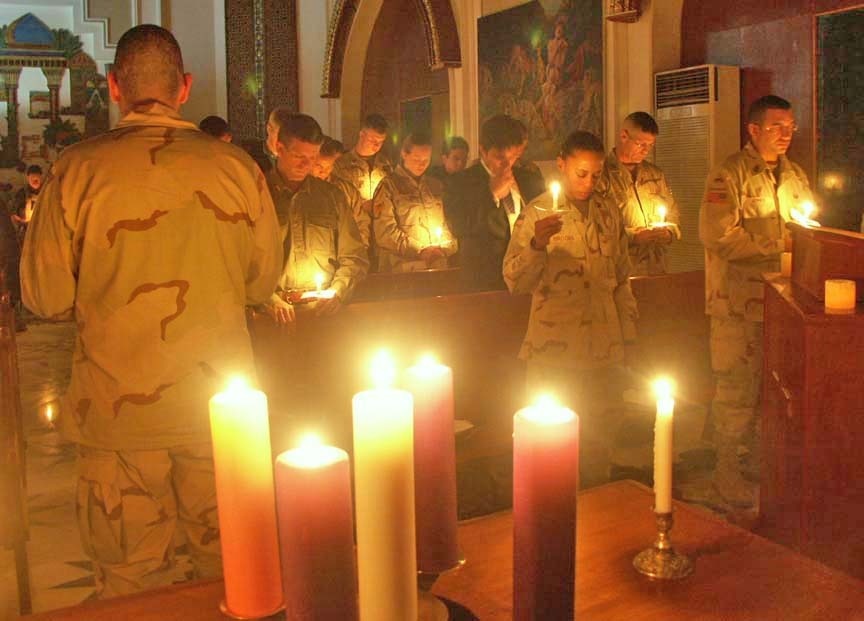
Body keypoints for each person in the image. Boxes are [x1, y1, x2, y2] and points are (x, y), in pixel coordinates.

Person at [19, 24, 283, 598]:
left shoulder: (76, 171)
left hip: (119, 421)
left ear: (114, 87)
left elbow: (45, 297)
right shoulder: (238, 170)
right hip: (221, 417)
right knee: (232, 580)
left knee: (130, 587)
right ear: (184, 87)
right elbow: (265, 281)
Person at [504, 130, 637, 486]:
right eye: (581, 173)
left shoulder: (608, 213)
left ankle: (598, 518)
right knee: (551, 453)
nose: (589, 182)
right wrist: (536, 244)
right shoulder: (538, 213)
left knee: (599, 446)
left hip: (604, 350)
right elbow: (514, 281)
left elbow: (622, 278)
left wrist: (629, 336)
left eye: (596, 174)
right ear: (561, 165)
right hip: (554, 352)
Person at [699, 95, 812, 509]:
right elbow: (719, 236)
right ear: (753, 129)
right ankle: (725, 477)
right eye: (777, 126)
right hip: (737, 305)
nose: (785, 134)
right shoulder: (729, 175)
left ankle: (761, 471)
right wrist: (778, 244)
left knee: (773, 395)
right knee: (736, 392)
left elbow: (808, 227)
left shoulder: (795, 176)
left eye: (791, 126)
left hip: (781, 305)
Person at [264, 113, 368, 324]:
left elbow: (354, 256)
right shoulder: (257, 195)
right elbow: (242, 261)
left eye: (312, 158)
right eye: (299, 156)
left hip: (325, 314)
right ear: (279, 148)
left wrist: (338, 291)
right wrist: (267, 298)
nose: (306, 164)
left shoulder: (332, 197)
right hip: (273, 316)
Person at [444, 114, 544, 291]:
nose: (507, 164)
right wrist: (491, 195)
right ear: (483, 150)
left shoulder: (530, 180)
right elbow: (457, 225)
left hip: (528, 276)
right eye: (499, 157)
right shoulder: (460, 183)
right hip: (485, 280)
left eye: (513, 156)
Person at [597, 111, 681, 275]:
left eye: (650, 145)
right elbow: (596, 226)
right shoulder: (602, 176)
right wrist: (632, 237)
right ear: (624, 136)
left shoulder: (655, 175)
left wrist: (669, 233)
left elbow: (673, 213)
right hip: (621, 269)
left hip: (655, 267)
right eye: (640, 144)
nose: (645, 151)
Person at [372, 132, 458, 272]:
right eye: (417, 158)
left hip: (437, 266)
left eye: (426, 159)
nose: (422, 164)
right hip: (402, 269)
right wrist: (421, 250)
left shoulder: (435, 186)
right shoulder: (388, 187)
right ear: (404, 154)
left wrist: (444, 248)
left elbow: (447, 224)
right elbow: (385, 233)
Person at [312, 136, 372, 251]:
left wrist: (359, 249)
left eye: (329, 167)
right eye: (318, 166)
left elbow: (361, 223)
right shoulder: (302, 190)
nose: (323, 172)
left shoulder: (347, 191)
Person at [332, 113, 394, 202]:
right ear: (362, 135)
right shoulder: (341, 164)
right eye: (372, 140)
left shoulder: (385, 164)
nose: (376, 145)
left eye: (381, 142)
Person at [11, 164, 43, 243]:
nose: (35, 181)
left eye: (37, 178)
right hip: (26, 230)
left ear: (41, 177)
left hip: (43, 229)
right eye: (32, 178)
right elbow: (14, 213)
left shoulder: (47, 193)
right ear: (28, 178)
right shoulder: (22, 194)